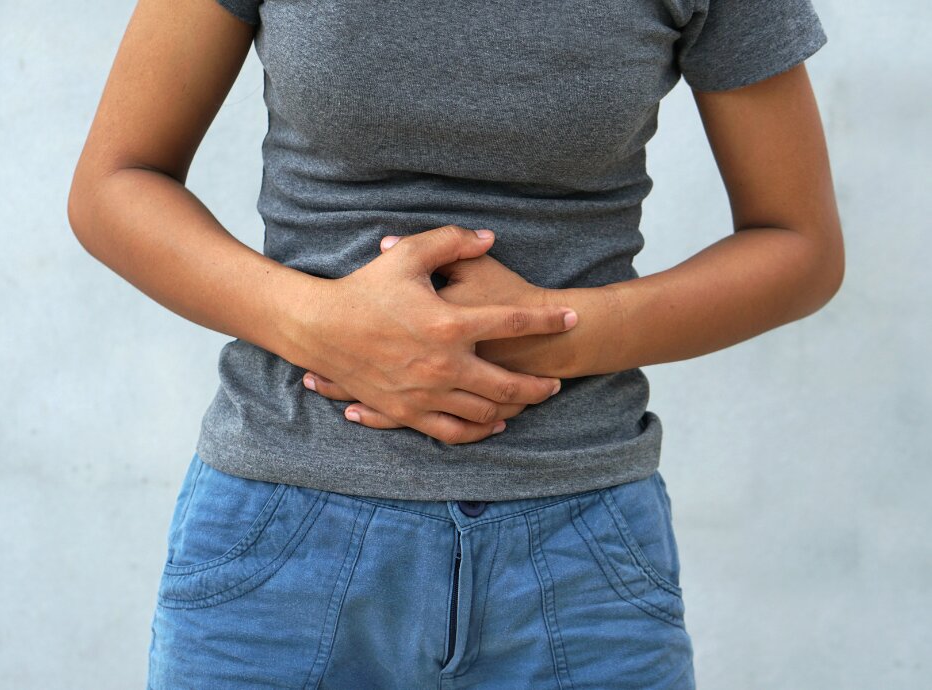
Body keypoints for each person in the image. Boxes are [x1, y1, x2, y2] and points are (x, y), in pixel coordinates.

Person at [67, 0, 843, 686]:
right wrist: (322, 326)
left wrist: (546, 337)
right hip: (280, 546)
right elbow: (115, 183)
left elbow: (799, 245)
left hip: (580, 556)